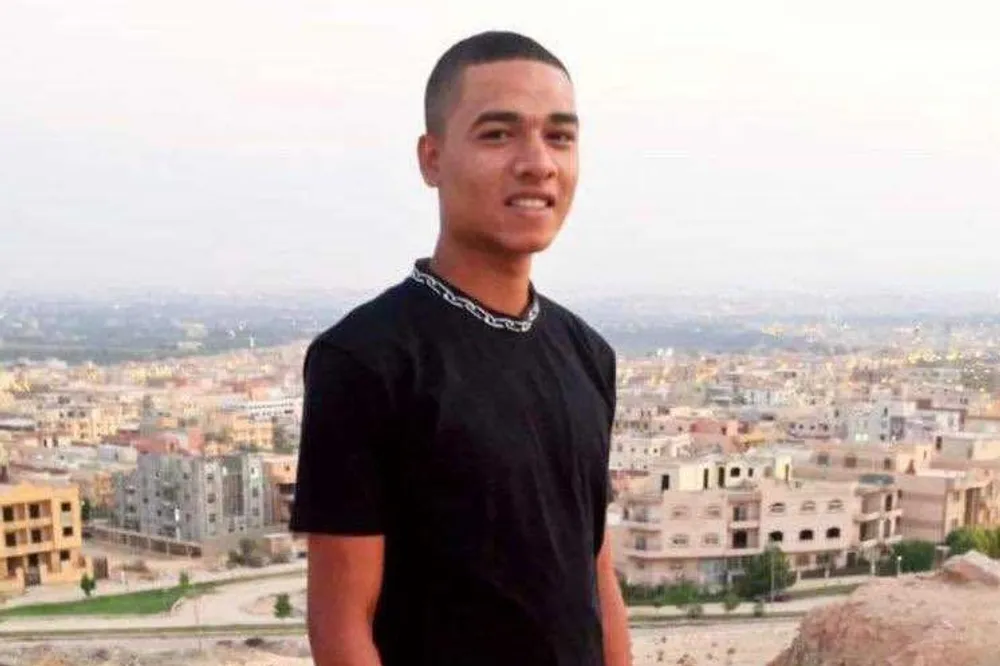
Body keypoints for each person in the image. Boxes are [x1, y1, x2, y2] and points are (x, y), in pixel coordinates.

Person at [290, 30, 631, 666]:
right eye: (498, 134)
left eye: (559, 137)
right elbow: (340, 628)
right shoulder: (366, 360)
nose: (538, 163)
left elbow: (594, 576)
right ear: (432, 158)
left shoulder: (588, 354)